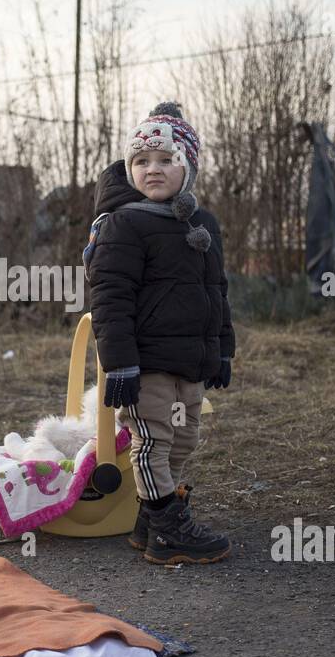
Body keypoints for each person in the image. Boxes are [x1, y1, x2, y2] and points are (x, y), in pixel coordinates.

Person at [82, 101, 234, 565]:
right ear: (130, 170)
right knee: (154, 438)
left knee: (184, 438)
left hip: (189, 361)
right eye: (142, 161)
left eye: (167, 160)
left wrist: (222, 352)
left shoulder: (202, 225)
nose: (153, 169)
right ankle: (167, 526)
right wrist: (120, 363)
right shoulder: (124, 224)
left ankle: (148, 519)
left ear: (186, 168)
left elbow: (216, 291)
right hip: (144, 363)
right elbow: (110, 296)